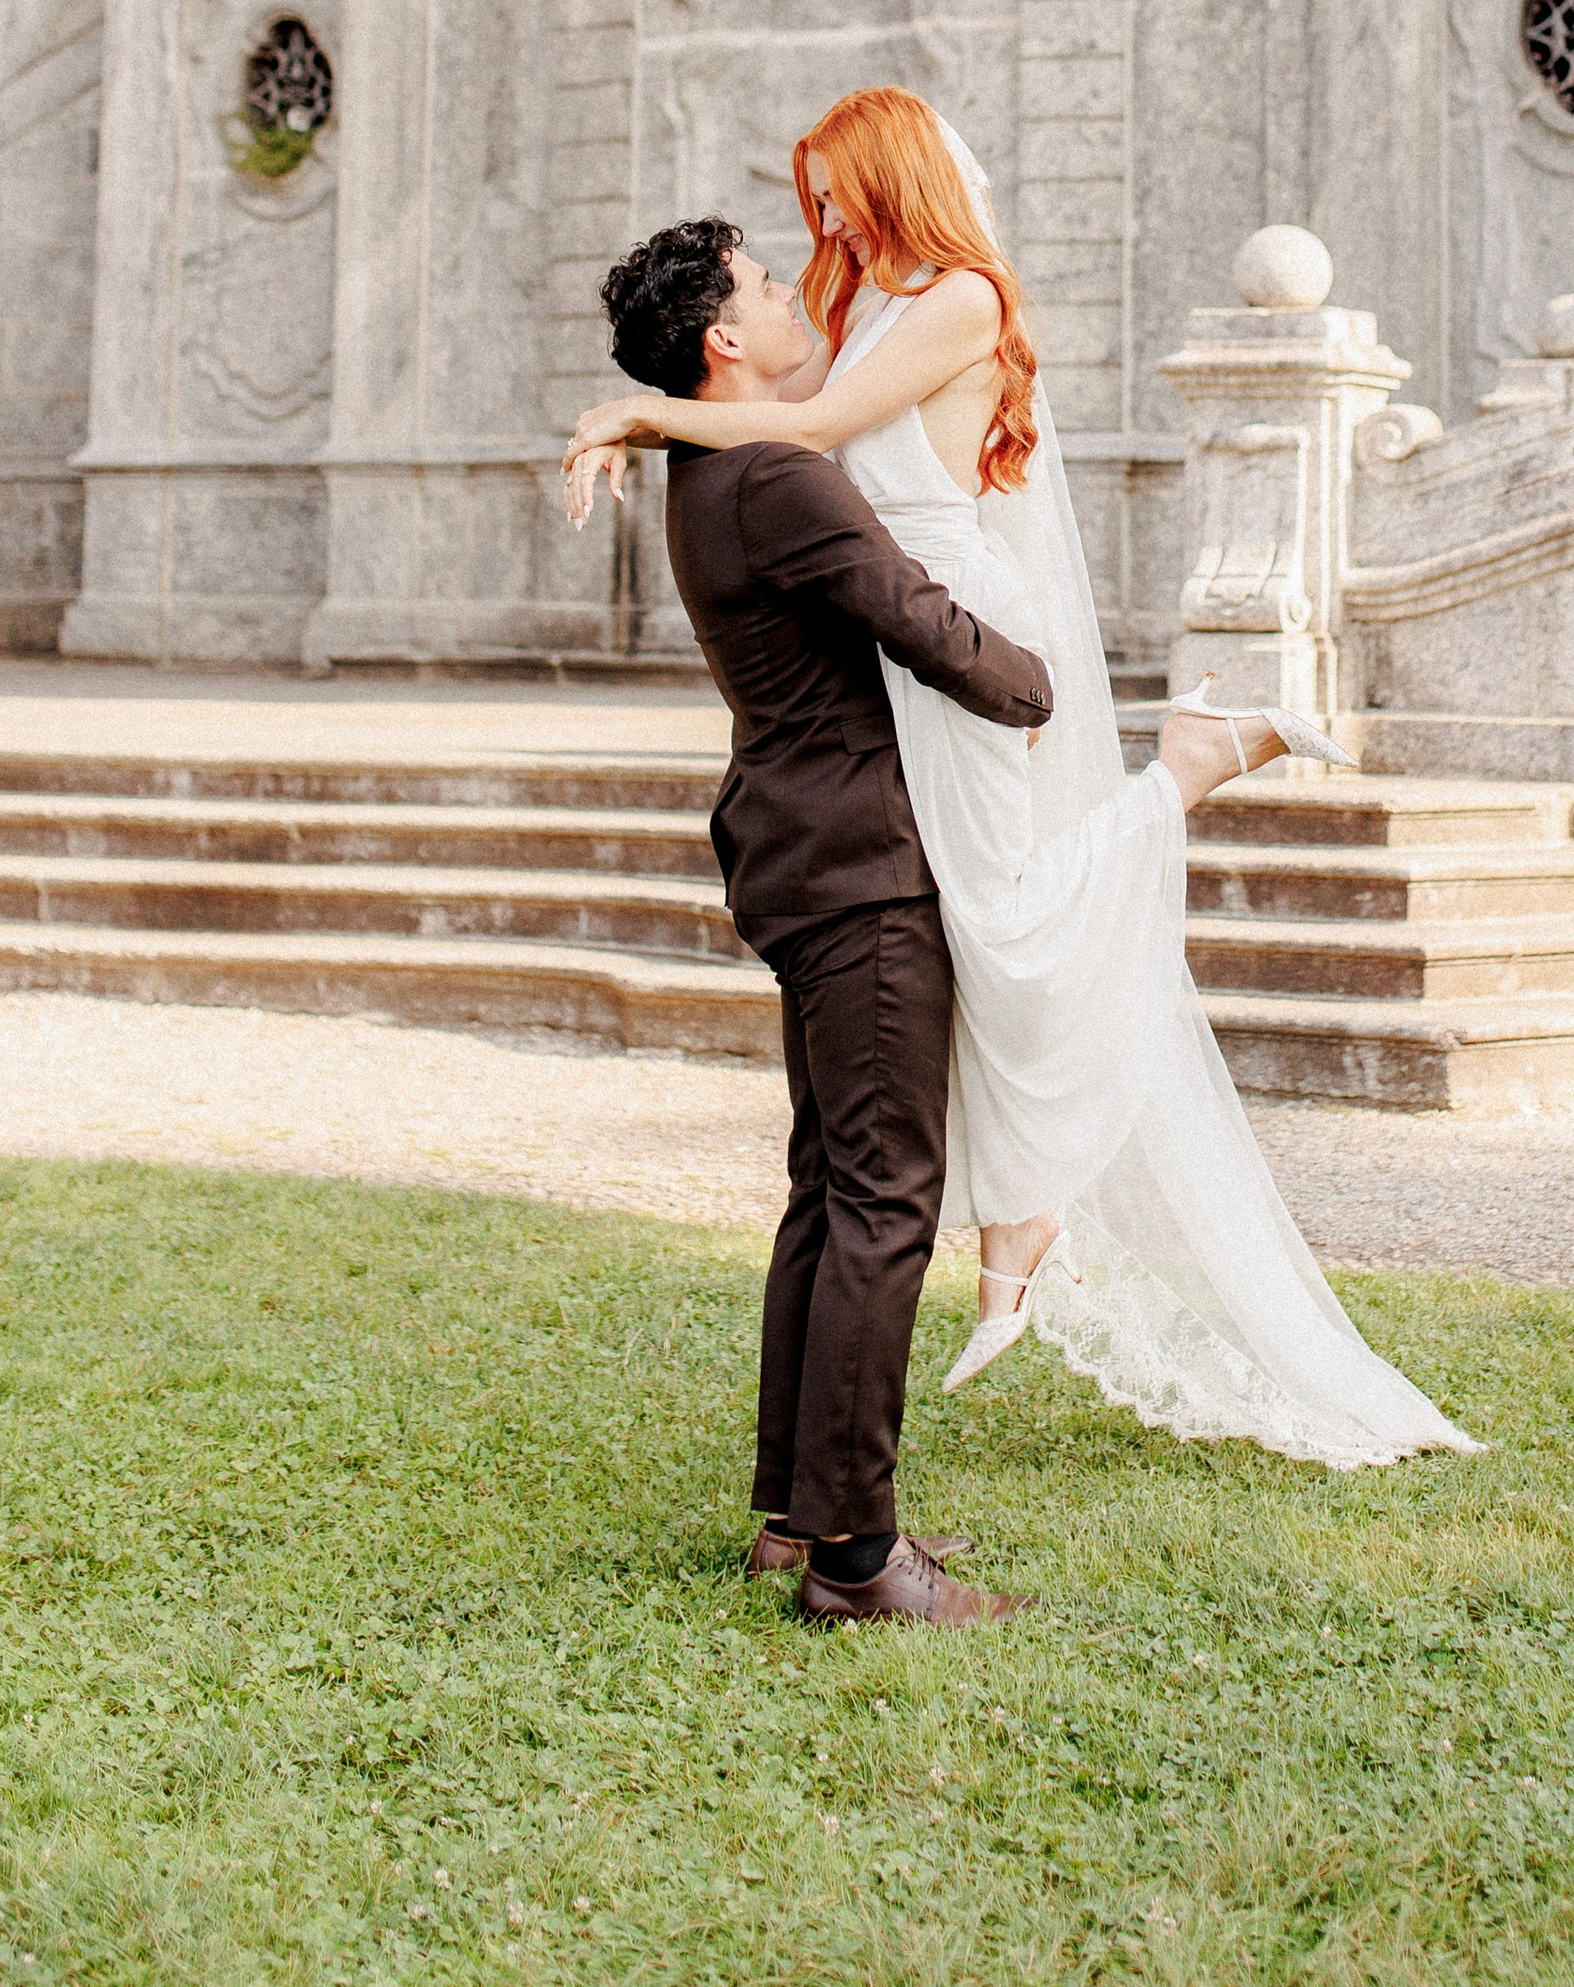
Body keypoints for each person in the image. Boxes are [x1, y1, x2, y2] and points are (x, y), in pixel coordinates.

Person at [568, 89, 1477, 1473]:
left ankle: (1172, 793)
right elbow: (769, 419)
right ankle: (1017, 1216)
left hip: (966, 635)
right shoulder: (862, 316)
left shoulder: (955, 300)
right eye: (798, 214)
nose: (817, 228)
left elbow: (796, 439)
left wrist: (633, 415)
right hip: (914, 659)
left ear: (890, 181)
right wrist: (651, 413)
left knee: (994, 918)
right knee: (972, 941)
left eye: (833, 198)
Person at [603, 215, 1054, 1629]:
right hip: (859, 860)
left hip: (801, 845)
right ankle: (859, 1558)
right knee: (881, 1199)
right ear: (722, 342)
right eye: (770, 287)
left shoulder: (707, 469)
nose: (804, 299)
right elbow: (910, 614)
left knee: (830, 1188)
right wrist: (1037, 687)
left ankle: (794, 1522)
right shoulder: (781, 478)